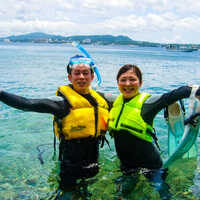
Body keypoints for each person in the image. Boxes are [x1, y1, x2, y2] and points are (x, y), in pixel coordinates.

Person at [0, 54, 112, 199]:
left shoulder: (101, 99)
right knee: (67, 193)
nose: (81, 77)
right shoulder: (61, 103)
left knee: (90, 191)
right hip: (70, 163)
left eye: (85, 73)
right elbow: (28, 104)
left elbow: (129, 99)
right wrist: (1, 94)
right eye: (77, 73)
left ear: (92, 76)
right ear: (69, 77)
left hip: (93, 160)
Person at [108, 64, 200, 199]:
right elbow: (89, 95)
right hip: (127, 166)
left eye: (132, 79)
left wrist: (193, 90)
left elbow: (172, 95)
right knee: (123, 195)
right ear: (117, 83)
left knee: (164, 195)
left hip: (152, 166)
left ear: (140, 83)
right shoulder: (114, 101)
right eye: (123, 80)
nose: (128, 84)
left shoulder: (148, 103)